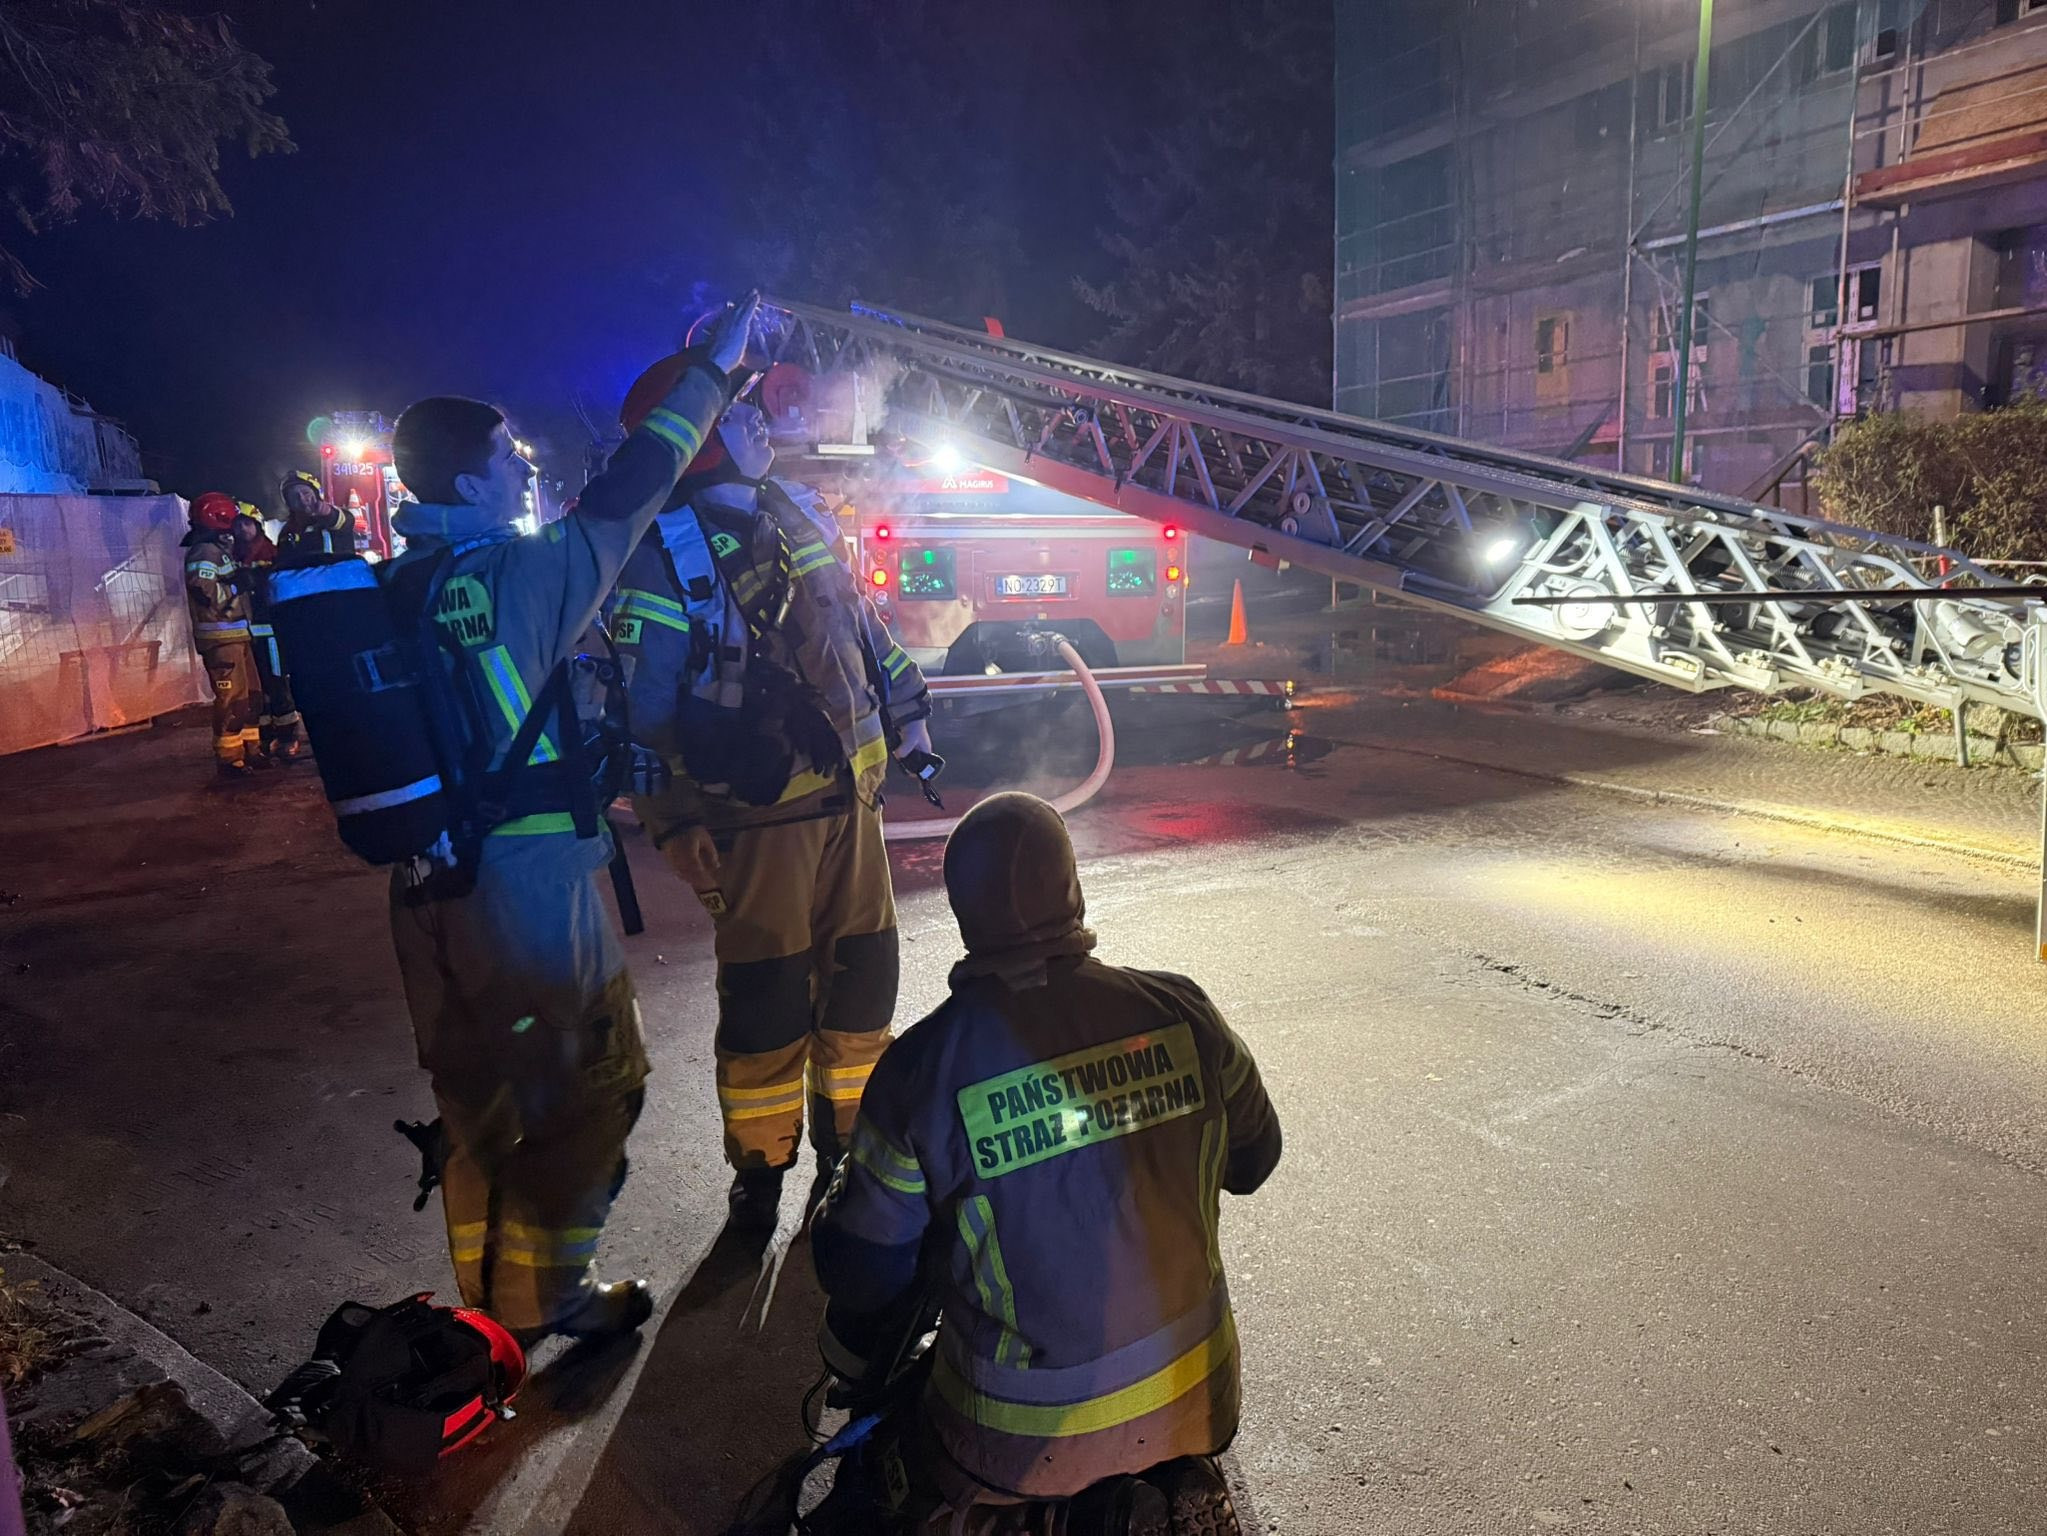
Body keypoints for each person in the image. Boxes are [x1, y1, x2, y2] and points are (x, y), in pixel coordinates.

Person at [381, 294, 756, 1345]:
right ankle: (548, 1300)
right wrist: (708, 372)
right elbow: (633, 488)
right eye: (505, 458)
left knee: (476, 1102)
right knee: (593, 1087)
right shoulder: (520, 574)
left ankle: (485, 1306)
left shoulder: (392, 586)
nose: (521, 470)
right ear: (467, 484)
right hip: (528, 890)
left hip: (422, 886)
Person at [810, 792, 1281, 1530]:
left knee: (881, 1455)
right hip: (1201, 1394)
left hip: (1011, 1436)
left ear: (963, 912)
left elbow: (861, 1276)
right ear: (1073, 889)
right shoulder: (1181, 1009)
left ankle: (1032, 1516)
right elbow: (1254, 1161)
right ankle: (1160, 1487)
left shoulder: (920, 1068)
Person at [612, 358, 933, 1228]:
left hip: (850, 807)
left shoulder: (794, 511)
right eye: (741, 412)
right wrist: (671, 820)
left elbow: (859, 627)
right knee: (766, 1005)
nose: (761, 422)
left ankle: (848, 1156)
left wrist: (908, 712)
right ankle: (760, 1175)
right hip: (754, 825)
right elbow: (641, 714)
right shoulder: (660, 553)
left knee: (863, 989)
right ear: (704, 439)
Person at [181, 491, 263, 777]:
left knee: (250, 696)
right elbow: (203, 592)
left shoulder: (218, 549)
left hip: (237, 634)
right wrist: (237, 587)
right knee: (232, 700)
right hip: (220, 639)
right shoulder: (204, 552)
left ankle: (251, 749)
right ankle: (229, 758)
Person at [231, 505, 304, 762]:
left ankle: (288, 737)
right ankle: (263, 737)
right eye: (238, 525)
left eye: (247, 523)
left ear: (258, 525)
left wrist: (258, 579)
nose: (243, 529)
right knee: (256, 689)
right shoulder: (232, 556)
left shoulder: (271, 553)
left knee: (277, 683)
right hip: (244, 634)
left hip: (270, 632)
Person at [278, 469, 360, 561]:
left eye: (306, 493)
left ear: (317, 494)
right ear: (289, 504)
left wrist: (329, 513)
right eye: (294, 497)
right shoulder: (288, 532)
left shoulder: (332, 518)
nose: (302, 499)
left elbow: (346, 521)